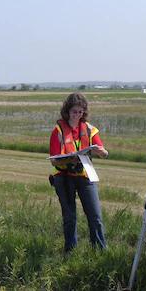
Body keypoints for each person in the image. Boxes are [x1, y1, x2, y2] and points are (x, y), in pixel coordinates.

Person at [49, 92, 109, 252]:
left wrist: (100, 152)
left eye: (80, 112)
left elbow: (103, 151)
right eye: (74, 111)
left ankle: (100, 252)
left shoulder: (90, 129)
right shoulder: (58, 130)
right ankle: (70, 252)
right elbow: (54, 160)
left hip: (85, 176)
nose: (77, 115)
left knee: (95, 217)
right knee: (69, 218)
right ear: (67, 111)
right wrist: (71, 160)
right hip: (64, 177)